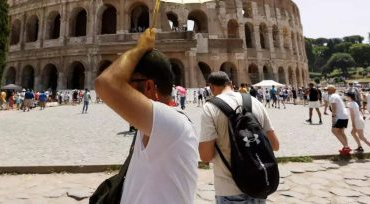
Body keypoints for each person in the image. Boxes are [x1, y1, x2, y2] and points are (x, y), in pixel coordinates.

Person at [94, 29, 198, 204]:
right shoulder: (152, 127)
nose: (124, 90)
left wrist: (140, 48)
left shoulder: (172, 124)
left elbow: (105, 83)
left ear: (149, 86)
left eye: (128, 84)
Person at [199, 71, 279, 204]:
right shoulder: (254, 101)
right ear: (230, 83)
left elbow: (206, 156)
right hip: (258, 184)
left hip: (228, 188)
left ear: (211, 87)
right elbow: (275, 145)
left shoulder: (210, 107)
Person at [347, 92, 370, 158]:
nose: (346, 97)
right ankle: (360, 147)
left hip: (357, 121)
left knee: (361, 137)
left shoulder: (350, 104)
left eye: (347, 96)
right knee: (353, 133)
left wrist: (353, 124)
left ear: (349, 97)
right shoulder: (355, 103)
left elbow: (352, 115)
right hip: (360, 120)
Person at [327, 85, 350, 155]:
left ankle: (346, 147)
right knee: (341, 132)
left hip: (339, 116)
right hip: (345, 115)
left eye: (328, 90)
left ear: (333, 90)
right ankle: (346, 146)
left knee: (334, 131)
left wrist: (333, 117)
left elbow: (334, 107)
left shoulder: (332, 96)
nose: (327, 91)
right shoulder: (337, 96)